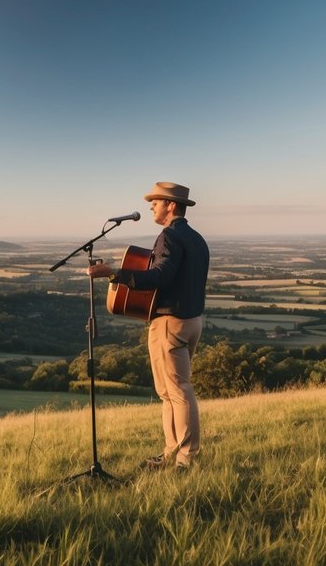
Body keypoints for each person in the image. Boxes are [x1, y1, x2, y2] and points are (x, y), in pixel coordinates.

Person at [88, 181, 209, 470]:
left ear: (170, 205)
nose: (151, 206)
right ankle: (171, 451)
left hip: (170, 322)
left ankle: (186, 459)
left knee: (178, 391)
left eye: (155, 201)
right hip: (193, 320)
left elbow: (160, 276)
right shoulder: (197, 238)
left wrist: (114, 274)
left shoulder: (168, 236)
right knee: (169, 392)